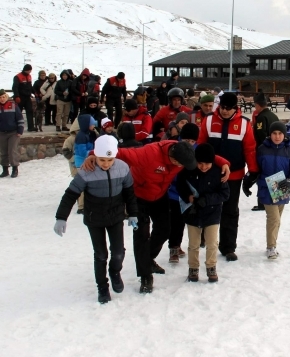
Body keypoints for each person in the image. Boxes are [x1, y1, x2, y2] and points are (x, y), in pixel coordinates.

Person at [81, 141, 230, 293]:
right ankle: (145, 276)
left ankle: (147, 259)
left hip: (160, 195)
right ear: (172, 157)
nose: (179, 167)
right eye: (178, 164)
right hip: (138, 196)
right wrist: (93, 154)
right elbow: (119, 152)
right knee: (142, 235)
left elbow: (204, 153)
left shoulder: (184, 151)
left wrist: (223, 162)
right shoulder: (148, 153)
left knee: (165, 230)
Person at [53, 135, 138, 304]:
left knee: (119, 252)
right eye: (101, 160)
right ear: (95, 156)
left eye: (109, 160)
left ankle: (115, 271)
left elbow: (129, 192)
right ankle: (102, 287)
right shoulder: (86, 171)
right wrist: (61, 217)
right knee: (100, 255)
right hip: (95, 218)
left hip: (115, 216)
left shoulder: (122, 168)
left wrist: (133, 213)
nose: (105, 164)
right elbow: (71, 194)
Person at [197, 92, 258, 261]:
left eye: (228, 109)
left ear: (235, 108)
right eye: (222, 107)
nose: (224, 111)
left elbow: (250, 149)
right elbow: (201, 146)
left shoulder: (245, 124)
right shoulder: (208, 121)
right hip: (210, 173)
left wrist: (253, 171)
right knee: (207, 206)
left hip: (235, 175)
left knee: (230, 211)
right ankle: (204, 239)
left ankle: (228, 246)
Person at [244, 121, 290, 259]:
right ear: (270, 135)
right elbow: (254, 168)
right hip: (266, 186)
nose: (277, 136)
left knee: (277, 220)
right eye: (274, 133)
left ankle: (272, 244)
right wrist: (248, 181)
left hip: (282, 184)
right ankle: (271, 247)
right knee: (273, 218)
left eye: (280, 133)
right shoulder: (262, 149)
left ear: (284, 135)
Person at [177, 143, 229, 282]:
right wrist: (188, 196)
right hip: (193, 213)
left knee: (212, 243)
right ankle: (193, 267)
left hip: (212, 213)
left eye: (207, 163)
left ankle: (211, 266)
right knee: (193, 244)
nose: (204, 167)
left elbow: (225, 194)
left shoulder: (219, 172)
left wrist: (207, 200)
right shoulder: (188, 171)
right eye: (200, 163)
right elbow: (180, 185)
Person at [167, 122, 200, 263]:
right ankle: (174, 247)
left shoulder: (197, 150)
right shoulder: (174, 148)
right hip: (174, 192)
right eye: (187, 141)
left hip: (191, 192)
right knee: (176, 222)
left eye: (193, 141)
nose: (190, 144)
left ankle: (195, 244)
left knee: (193, 220)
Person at [250, 91, 279, 211]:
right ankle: (278, 199)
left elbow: (260, 135)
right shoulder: (274, 116)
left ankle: (262, 203)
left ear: (258, 105)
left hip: (265, 152)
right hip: (277, 151)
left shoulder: (261, 117)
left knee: (262, 177)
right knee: (276, 174)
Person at [62, 117, 85, 213]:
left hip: (85, 164)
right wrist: (73, 160)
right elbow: (66, 151)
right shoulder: (70, 139)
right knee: (80, 184)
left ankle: (83, 202)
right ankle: (81, 206)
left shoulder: (86, 137)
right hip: (75, 166)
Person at [0, 89, 24, 178]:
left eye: (3, 97)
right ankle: (5, 169)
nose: (2, 99)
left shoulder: (13, 105)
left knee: (12, 151)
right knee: (3, 152)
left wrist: (20, 130)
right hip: (2, 133)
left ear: (6, 97)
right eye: (0, 98)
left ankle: (15, 169)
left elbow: (20, 118)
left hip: (13, 132)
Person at [12, 64, 36, 132]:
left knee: (30, 111)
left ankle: (31, 127)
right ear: (25, 69)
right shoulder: (17, 77)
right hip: (20, 97)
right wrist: (16, 96)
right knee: (18, 112)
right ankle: (15, 127)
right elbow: (15, 87)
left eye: (30, 70)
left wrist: (34, 92)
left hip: (27, 97)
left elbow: (30, 86)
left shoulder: (29, 76)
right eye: (28, 70)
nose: (29, 72)